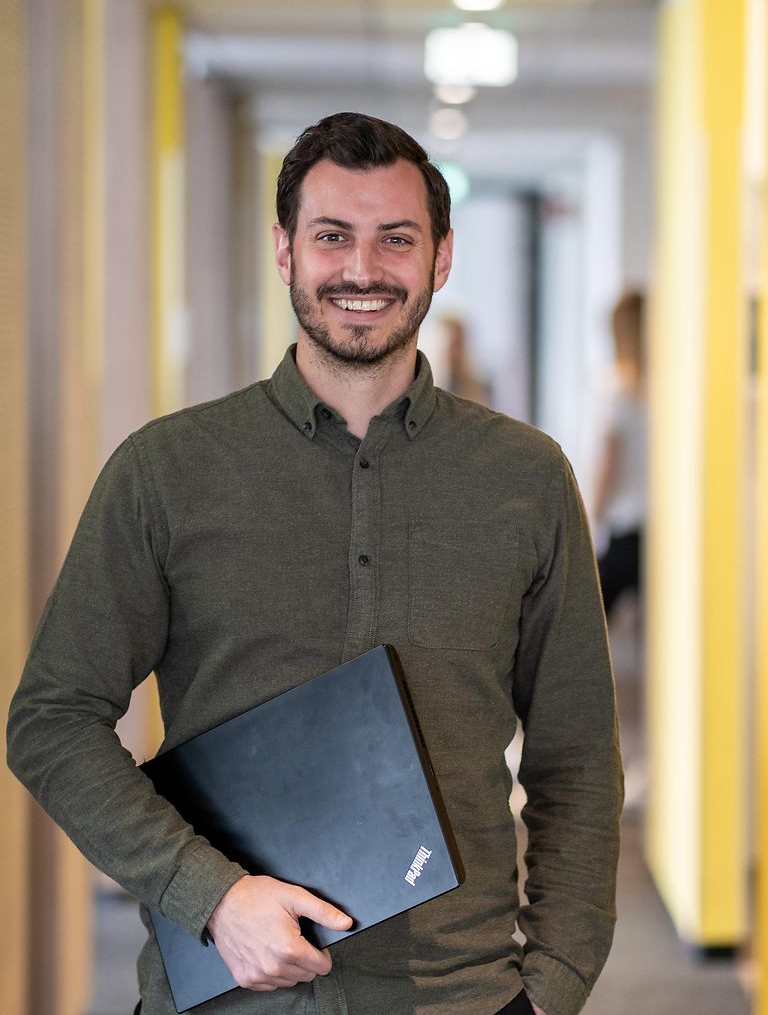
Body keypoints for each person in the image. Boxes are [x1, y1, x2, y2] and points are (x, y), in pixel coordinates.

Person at [7, 112, 622, 1015]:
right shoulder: (166, 471)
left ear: (441, 259)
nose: (363, 271)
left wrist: (554, 987)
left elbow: (575, 761)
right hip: (226, 998)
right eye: (332, 236)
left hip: (461, 997)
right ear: (285, 250)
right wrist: (210, 897)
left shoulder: (527, 479)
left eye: (396, 240)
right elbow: (51, 720)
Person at [592, 291, 647, 624]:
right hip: (662, 526)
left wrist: (592, 515)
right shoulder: (671, 387)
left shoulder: (615, 388)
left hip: (625, 527)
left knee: (588, 624)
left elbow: (609, 464)